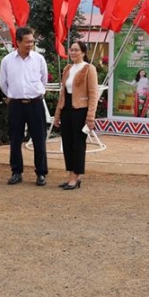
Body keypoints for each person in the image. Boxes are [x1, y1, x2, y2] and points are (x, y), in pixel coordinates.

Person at [0, 26, 49, 186]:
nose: (30, 44)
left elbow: (44, 80)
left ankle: (41, 173)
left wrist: (37, 92)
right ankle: (16, 172)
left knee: (39, 139)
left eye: (32, 41)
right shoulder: (7, 60)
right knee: (15, 139)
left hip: (35, 103)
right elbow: (3, 83)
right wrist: (13, 95)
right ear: (18, 42)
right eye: (27, 41)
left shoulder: (39, 59)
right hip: (16, 105)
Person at [52, 40, 98, 190]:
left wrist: (90, 117)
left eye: (76, 50)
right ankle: (70, 174)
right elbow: (62, 93)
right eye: (71, 50)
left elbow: (93, 94)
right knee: (67, 143)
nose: (73, 52)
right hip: (67, 109)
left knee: (78, 144)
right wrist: (57, 115)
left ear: (83, 52)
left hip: (81, 110)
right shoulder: (67, 68)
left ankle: (75, 176)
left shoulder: (88, 69)